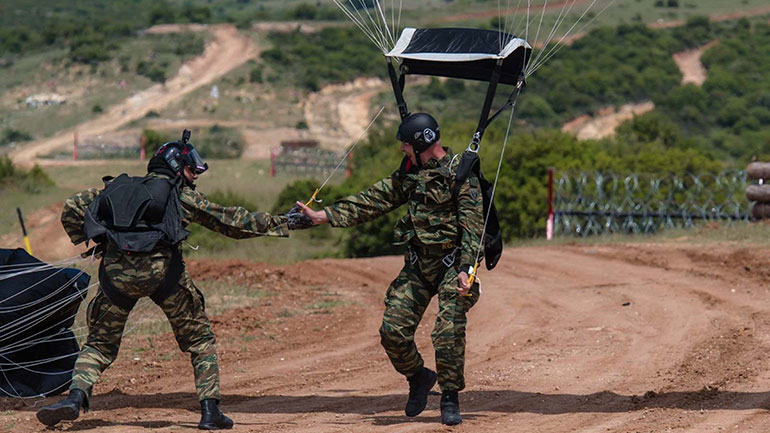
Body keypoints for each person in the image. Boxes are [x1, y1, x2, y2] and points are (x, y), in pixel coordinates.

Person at [37, 132, 312, 430]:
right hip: (164, 277)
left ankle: (75, 398)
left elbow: (72, 207)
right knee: (200, 341)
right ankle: (210, 412)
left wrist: (97, 238)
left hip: (116, 278)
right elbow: (232, 221)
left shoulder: (114, 188)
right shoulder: (179, 195)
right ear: (175, 167)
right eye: (192, 170)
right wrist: (286, 221)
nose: (194, 176)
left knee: (99, 345)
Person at [294, 113, 484, 425]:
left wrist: (467, 268)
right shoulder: (410, 176)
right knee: (392, 331)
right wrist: (323, 216)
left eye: (406, 145)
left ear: (421, 142)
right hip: (420, 264)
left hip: (453, 265)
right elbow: (371, 201)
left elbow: (473, 225)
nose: (402, 151)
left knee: (447, 330)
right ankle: (418, 377)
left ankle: (450, 397)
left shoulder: (459, 174)